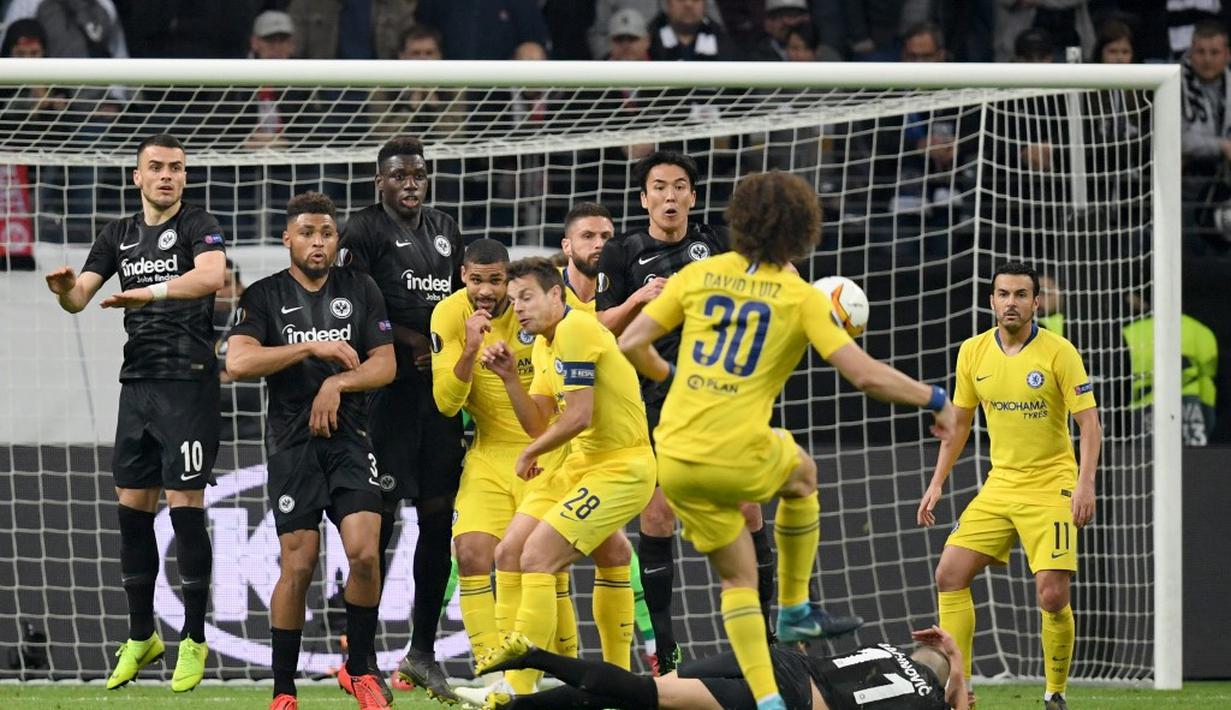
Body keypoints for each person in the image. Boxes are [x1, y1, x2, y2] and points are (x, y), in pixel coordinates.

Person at [619, 171, 956, 710]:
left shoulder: (700, 274)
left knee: (736, 582)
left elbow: (631, 341)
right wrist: (939, 400)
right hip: (735, 449)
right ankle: (797, 604)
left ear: (740, 222)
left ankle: (771, 701)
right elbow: (865, 376)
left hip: (676, 456)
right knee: (802, 470)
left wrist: (670, 377)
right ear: (802, 230)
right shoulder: (800, 297)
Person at [597, 151, 862, 675]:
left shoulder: (718, 245)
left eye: (679, 187)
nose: (669, 196)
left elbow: (773, 272)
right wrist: (639, 301)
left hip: (722, 397)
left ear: (693, 197)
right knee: (656, 516)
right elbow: (599, 325)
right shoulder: (622, 251)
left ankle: (770, 639)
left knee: (749, 510)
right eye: (659, 188)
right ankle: (665, 652)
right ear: (643, 197)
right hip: (650, 401)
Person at [43, 133, 226, 692]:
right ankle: (142, 635)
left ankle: (194, 638)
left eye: (176, 167)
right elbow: (81, 299)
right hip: (137, 385)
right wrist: (63, 291)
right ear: (137, 176)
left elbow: (213, 277)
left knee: (186, 505)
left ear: (185, 177)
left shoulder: (199, 223)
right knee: (132, 507)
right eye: (156, 167)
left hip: (189, 383)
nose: (166, 175)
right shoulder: (117, 234)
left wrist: (150, 294)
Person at [225, 192, 395, 710]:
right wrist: (309, 348)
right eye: (307, 233)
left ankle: (361, 669)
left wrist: (337, 384)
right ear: (287, 239)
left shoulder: (360, 288)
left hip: (350, 438)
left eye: (326, 233)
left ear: (336, 239)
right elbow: (238, 361)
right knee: (298, 563)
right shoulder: (262, 295)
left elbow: (385, 364)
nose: (317, 242)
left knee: (365, 552)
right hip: (292, 442)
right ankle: (283, 691)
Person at [916, 262, 1102, 710]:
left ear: (1036, 303)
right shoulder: (973, 352)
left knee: (1052, 594)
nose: (1011, 302)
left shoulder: (1059, 352)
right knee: (949, 574)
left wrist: (1084, 484)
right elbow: (958, 425)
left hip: (1053, 485)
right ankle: (959, 688)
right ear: (991, 301)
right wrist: (937, 483)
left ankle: (1054, 692)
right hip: (999, 486)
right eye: (1003, 294)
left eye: (1021, 295)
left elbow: (1090, 425)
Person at [474, 258, 657, 684]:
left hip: (622, 468)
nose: (518, 307)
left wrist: (528, 453)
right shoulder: (543, 343)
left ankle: (516, 691)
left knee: (537, 556)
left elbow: (578, 416)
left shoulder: (577, 329)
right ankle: (616, 680)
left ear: (556, 294)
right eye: (513, 299)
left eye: (527, 297)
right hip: (582, 464)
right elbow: (539, 422)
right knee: (510, 553)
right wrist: (508, 379)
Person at [339, 134, 465, 701]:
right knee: (378, 520)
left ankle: (421, 652)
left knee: (438, 517)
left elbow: (462, 299)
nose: (409, 184)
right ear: (380, 181)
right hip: (386, 394)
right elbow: (349, 303)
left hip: (439, 395)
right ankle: (358, 654)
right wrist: (409, 337)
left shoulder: (446, 227)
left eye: (417, 174)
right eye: (398, 175)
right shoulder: (362, 229)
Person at [427, 238, 577, 673]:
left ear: (509, 278)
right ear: (463, 278)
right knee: (472, 555)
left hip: (546, 454)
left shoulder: (535, 308)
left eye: (496, 281)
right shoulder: (449, 314)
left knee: (546, 568)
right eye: (477, 281)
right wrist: (471, 348)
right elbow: (446, 405)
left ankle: (565, 673)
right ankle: (493, 672)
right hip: (488, 453)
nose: (487, 291)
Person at [482, 625, 968, 710]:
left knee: (644, 693)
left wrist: (953, 657)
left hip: (770, 658)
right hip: (785, 699)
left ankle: (516, 704)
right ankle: (533, 657)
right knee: (644, 695)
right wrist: (960, 675)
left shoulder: (886, 650)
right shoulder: (926, 702)